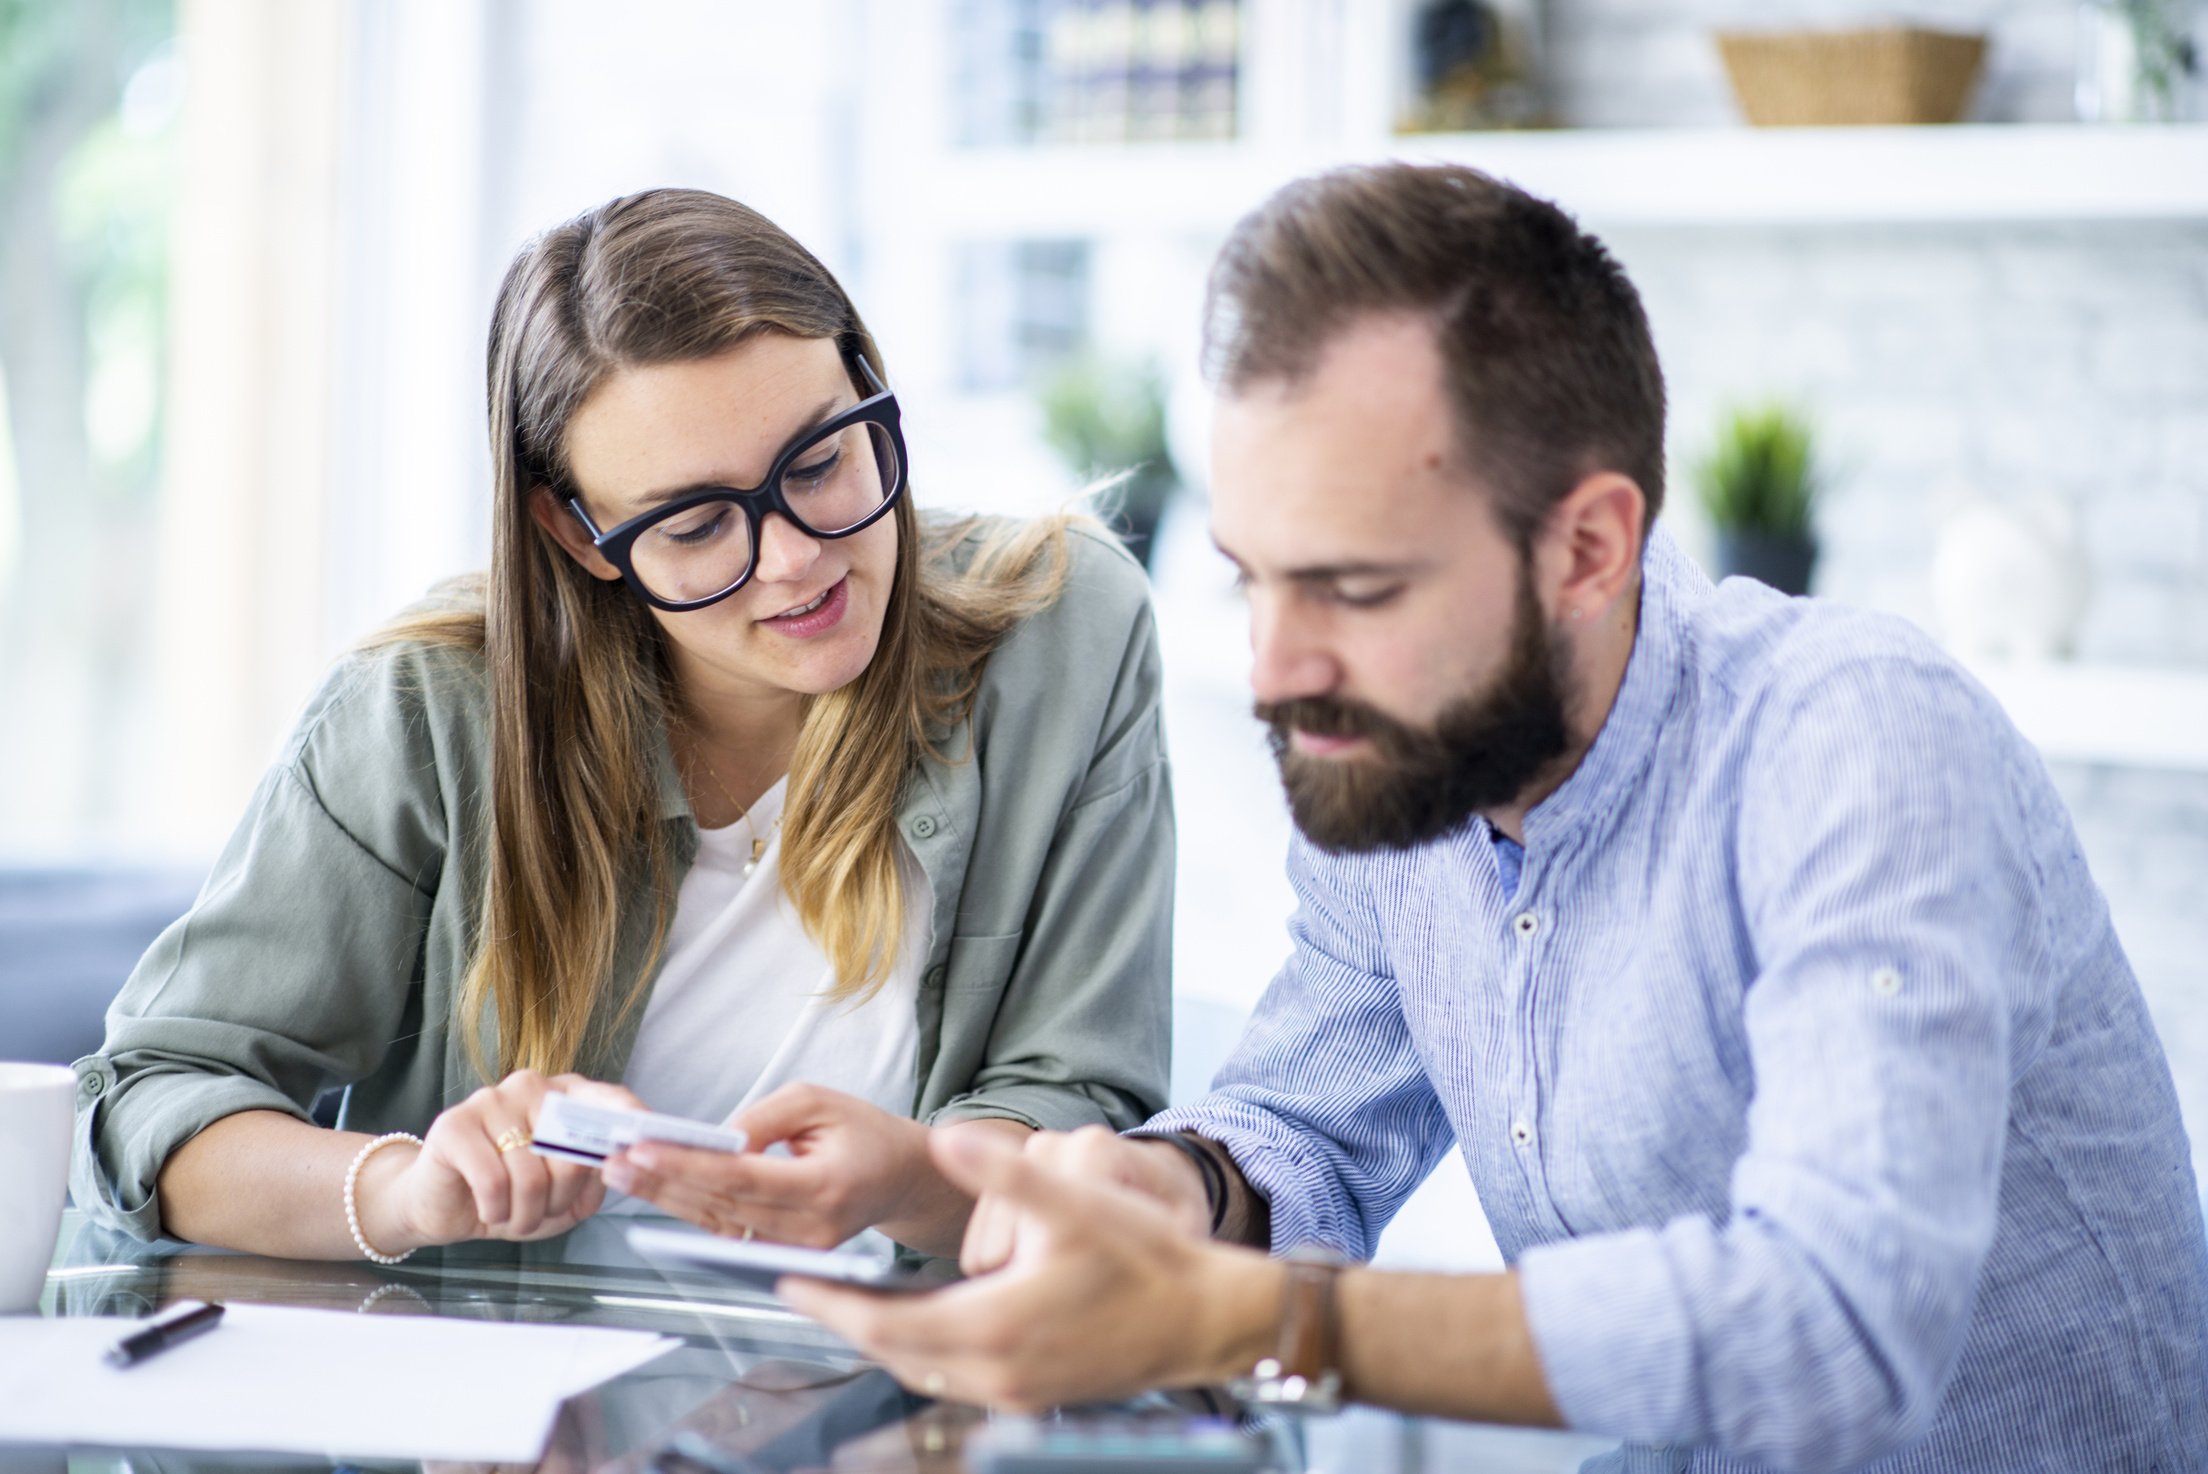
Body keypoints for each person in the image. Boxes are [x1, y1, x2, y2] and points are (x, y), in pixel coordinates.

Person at [788, 163, 2208, 1472]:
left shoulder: (1859, 741)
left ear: (1589, 546)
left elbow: (1834, 1323)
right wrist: (1155, 1197)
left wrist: (1253, 1317)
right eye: (1252, 580)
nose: (1276, 673)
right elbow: (1301, 1128)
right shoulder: (1406, 772)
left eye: (1354, 590)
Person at [71, 188, 1173, 1266]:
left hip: (901, 1409)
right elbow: (148, 1099)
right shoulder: (427, 714)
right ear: (579, 532)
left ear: (869, 384)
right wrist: (407, 1189)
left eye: (824, 460)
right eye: (697, 523)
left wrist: (915, 1184)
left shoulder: (1066, 633)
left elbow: (1076, 1095)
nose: (797, 558)